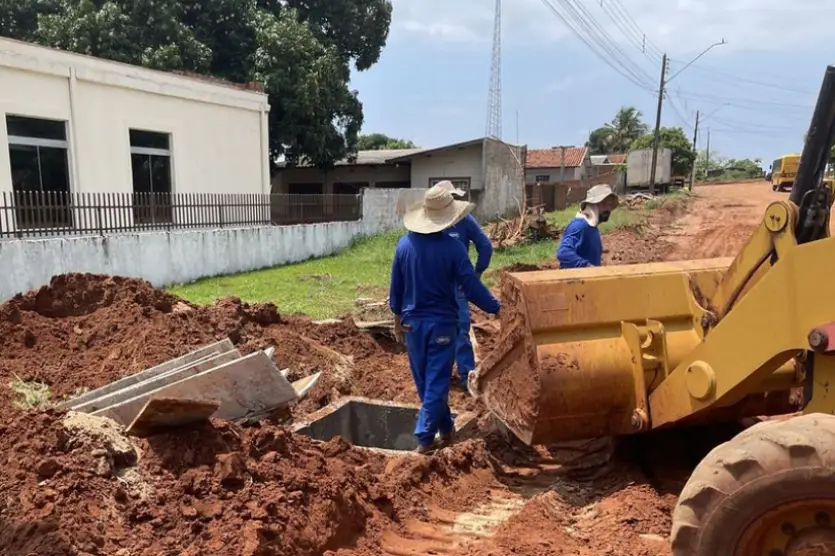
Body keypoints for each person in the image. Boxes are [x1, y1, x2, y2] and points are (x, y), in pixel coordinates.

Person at [389, 184, 501, 454]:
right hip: (441, 326)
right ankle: (425, 438)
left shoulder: (404, 246)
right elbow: (471, 287)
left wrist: (396, 320)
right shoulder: (453, 249)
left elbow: (396, 290)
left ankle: (446, 428)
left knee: (425, 382)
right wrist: (495, 307)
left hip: (412, 325)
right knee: (435, 382)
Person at [433, 181, 493, 388]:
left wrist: (475, 275)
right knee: (459, 329)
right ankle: (465, 377)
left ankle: (440, 375)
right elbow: (485, 247)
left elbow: (485, 246)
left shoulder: (432, 220)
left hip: (435, 285)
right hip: (454, 284)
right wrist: (476, 275)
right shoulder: (464, 219)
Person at [556, 184, 620, 268]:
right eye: (603, 204)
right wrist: (587, 266)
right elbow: (563, 253)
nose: (608, 209)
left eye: (609, 204)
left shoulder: (592, 227)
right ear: (592, 205)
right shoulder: (579, 226)